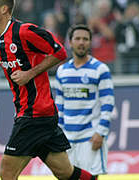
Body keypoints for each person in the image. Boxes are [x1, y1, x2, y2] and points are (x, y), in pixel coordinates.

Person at [0, 0, 97, 179]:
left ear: (4, 9)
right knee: (65, 172)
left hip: (34, 113)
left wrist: (30, 73)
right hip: (37, 114)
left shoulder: (25, 31)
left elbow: (59, 52)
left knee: (7, 173)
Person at [54, 24, 115, 177]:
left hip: (90, 137)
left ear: (90, 42)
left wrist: (101, 133)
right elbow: (59, 105)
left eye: (85, 39)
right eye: (78, 39)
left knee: (90, 177)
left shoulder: (100, 69)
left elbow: (107, 104)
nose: (81, 42)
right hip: (67, 139)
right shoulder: (62, 71)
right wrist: (59, 133)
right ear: (70, 42)